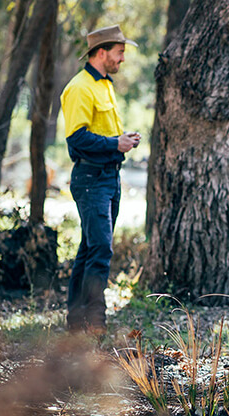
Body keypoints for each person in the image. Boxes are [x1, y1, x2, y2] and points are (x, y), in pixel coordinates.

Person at [61, 25, 140, 334]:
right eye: (119, 53)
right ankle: (95, 322)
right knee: (101, 249)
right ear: (102, 52)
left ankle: (76, 321)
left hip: (109, 177)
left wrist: (123, 140)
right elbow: (76, 139)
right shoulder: (80, 87)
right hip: (91, 178)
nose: (122, 59)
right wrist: (113, 144)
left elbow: (102, 133)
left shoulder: (104, 85)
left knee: (91, 248)